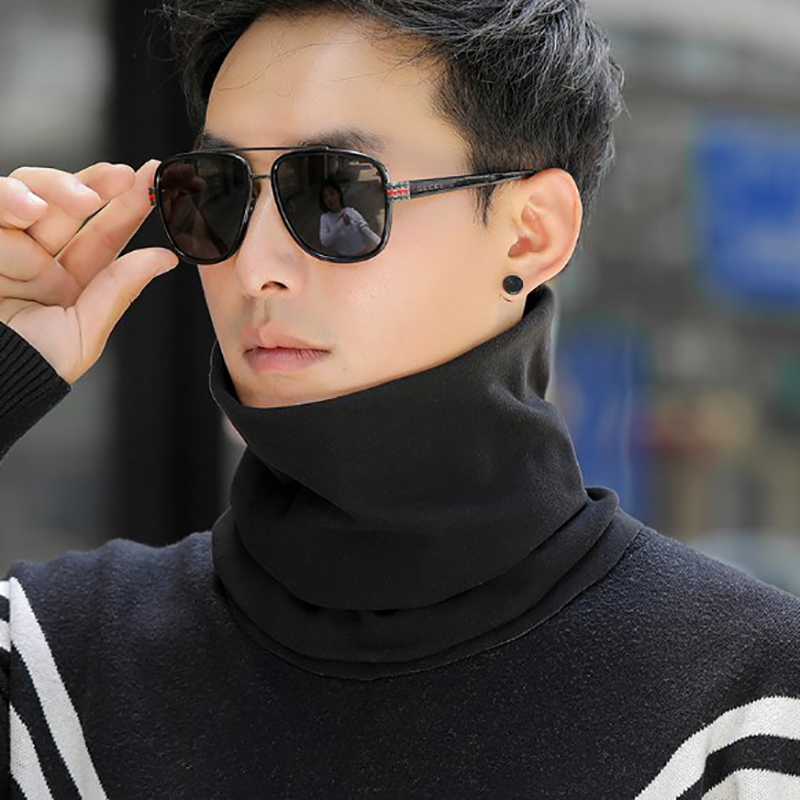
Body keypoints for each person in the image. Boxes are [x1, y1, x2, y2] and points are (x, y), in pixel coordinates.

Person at [0, 1, 799, 797]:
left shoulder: (750, 713)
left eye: (334, 194)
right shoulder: (51, 669)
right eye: (215, 192)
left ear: (531, 232)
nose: (254, 267)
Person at [319, 178, 382, 257]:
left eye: (332, 194)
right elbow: (325, 242)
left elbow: (367, 231)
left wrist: (380, 243)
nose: (329, 199)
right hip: (342, 258)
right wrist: (341, 224)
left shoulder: (351, 212)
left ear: (338, 194)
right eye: (325, 197)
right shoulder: (325, 218)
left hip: (361, 255)